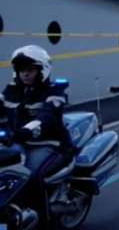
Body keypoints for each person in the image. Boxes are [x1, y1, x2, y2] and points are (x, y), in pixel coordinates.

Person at [0, 45, 68, 222]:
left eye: (29, 70)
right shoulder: (11, 90)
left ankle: (44, 221)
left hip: (49, 144)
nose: (25, 74)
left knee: (30, 175)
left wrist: (26, 130)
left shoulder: (54, 90)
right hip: (17, 143)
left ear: (42, 70)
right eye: (21, 70)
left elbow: (48, 116)